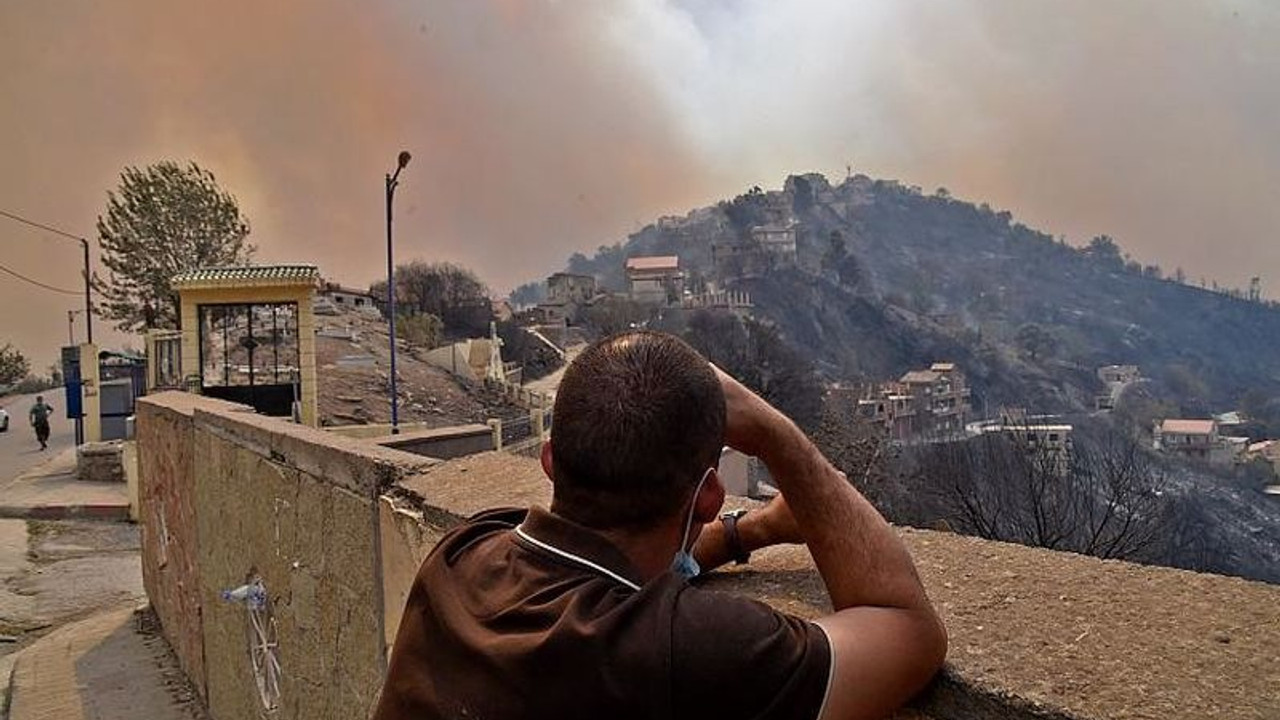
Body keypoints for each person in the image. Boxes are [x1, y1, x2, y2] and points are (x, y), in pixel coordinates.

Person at [375, 331, 947, 720]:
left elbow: (616, 572)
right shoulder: (686, 649)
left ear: (549, 460)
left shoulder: (465, 550)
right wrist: (778, 434)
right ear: (707, 498)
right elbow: (908, 633)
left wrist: (751, 532)